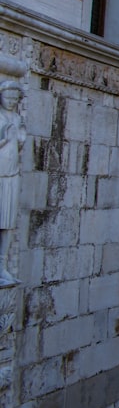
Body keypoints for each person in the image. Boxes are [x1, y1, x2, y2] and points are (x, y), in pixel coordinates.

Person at [0, 81, 24, 286]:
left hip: (12, 175)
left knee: (7, 222)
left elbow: (20, 144)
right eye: (8, 97)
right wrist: (5, 139)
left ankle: (2, 265)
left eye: (14, 99)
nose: (10, 102)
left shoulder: (17, 118)